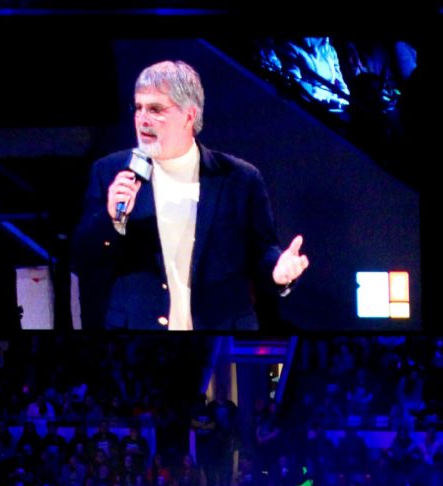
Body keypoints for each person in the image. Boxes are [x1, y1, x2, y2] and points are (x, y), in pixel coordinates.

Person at [72, 60, 308, 330]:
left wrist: (279, 273)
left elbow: (263, 252)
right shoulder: (109, 172)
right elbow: (83, 259)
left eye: (155, 109)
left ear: (189, 116)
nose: (143, 119)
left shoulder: (239, 178)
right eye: (138, 108)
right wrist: (111, 220)